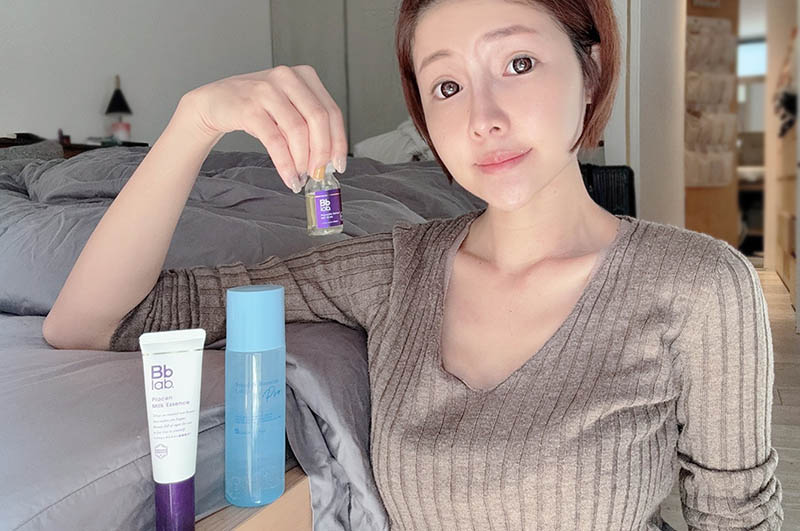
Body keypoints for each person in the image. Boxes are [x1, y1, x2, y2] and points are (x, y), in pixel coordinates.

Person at [43, 0, 783, 528]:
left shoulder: (700, 284)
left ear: (589, 72)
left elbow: (738, 518)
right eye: (447, 86)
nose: (483, 118)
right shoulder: (394, 269)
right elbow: (96, 322)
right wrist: (195, 121)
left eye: (518, 63)